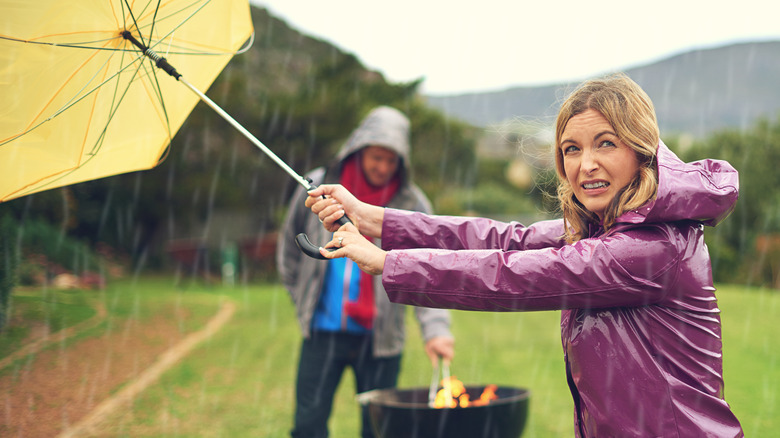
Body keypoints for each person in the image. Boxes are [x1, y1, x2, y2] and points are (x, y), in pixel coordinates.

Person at [305, 75, 744, 437]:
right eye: (572, 149)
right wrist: (375, 219)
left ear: (641, 150)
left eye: (605, 143)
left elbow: (511, 276)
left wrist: (386, 262)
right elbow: (501, 239)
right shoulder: (603, 231)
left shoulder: (653, 247)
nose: (585, 164)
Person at [276, 106, 455, 438]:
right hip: (321, 333)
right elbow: (289, 249)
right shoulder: (318, 185)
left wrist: (436, 330)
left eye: (392, 160)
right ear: (357, 150)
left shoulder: (412, 203)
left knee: (379, 431)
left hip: (381, 341)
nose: (383, 167)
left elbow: (432, 271)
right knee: (307, 426)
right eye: (376, 157)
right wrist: (301, 299)